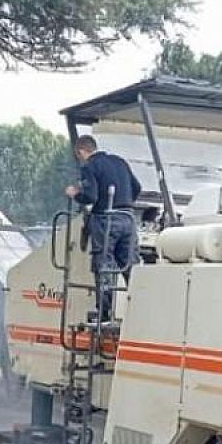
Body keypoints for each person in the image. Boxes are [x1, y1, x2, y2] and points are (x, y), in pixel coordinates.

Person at [64, 135, 141, 322]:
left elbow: (91, 196)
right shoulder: (119, 162)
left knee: (104, 266)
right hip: (128, 219)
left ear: (81, 151)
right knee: (131, 266)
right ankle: (140, 309)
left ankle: (104, 314)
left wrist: (75, 194)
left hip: (106, 220)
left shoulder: (90, 166)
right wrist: (126, 204)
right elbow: (137, 187)